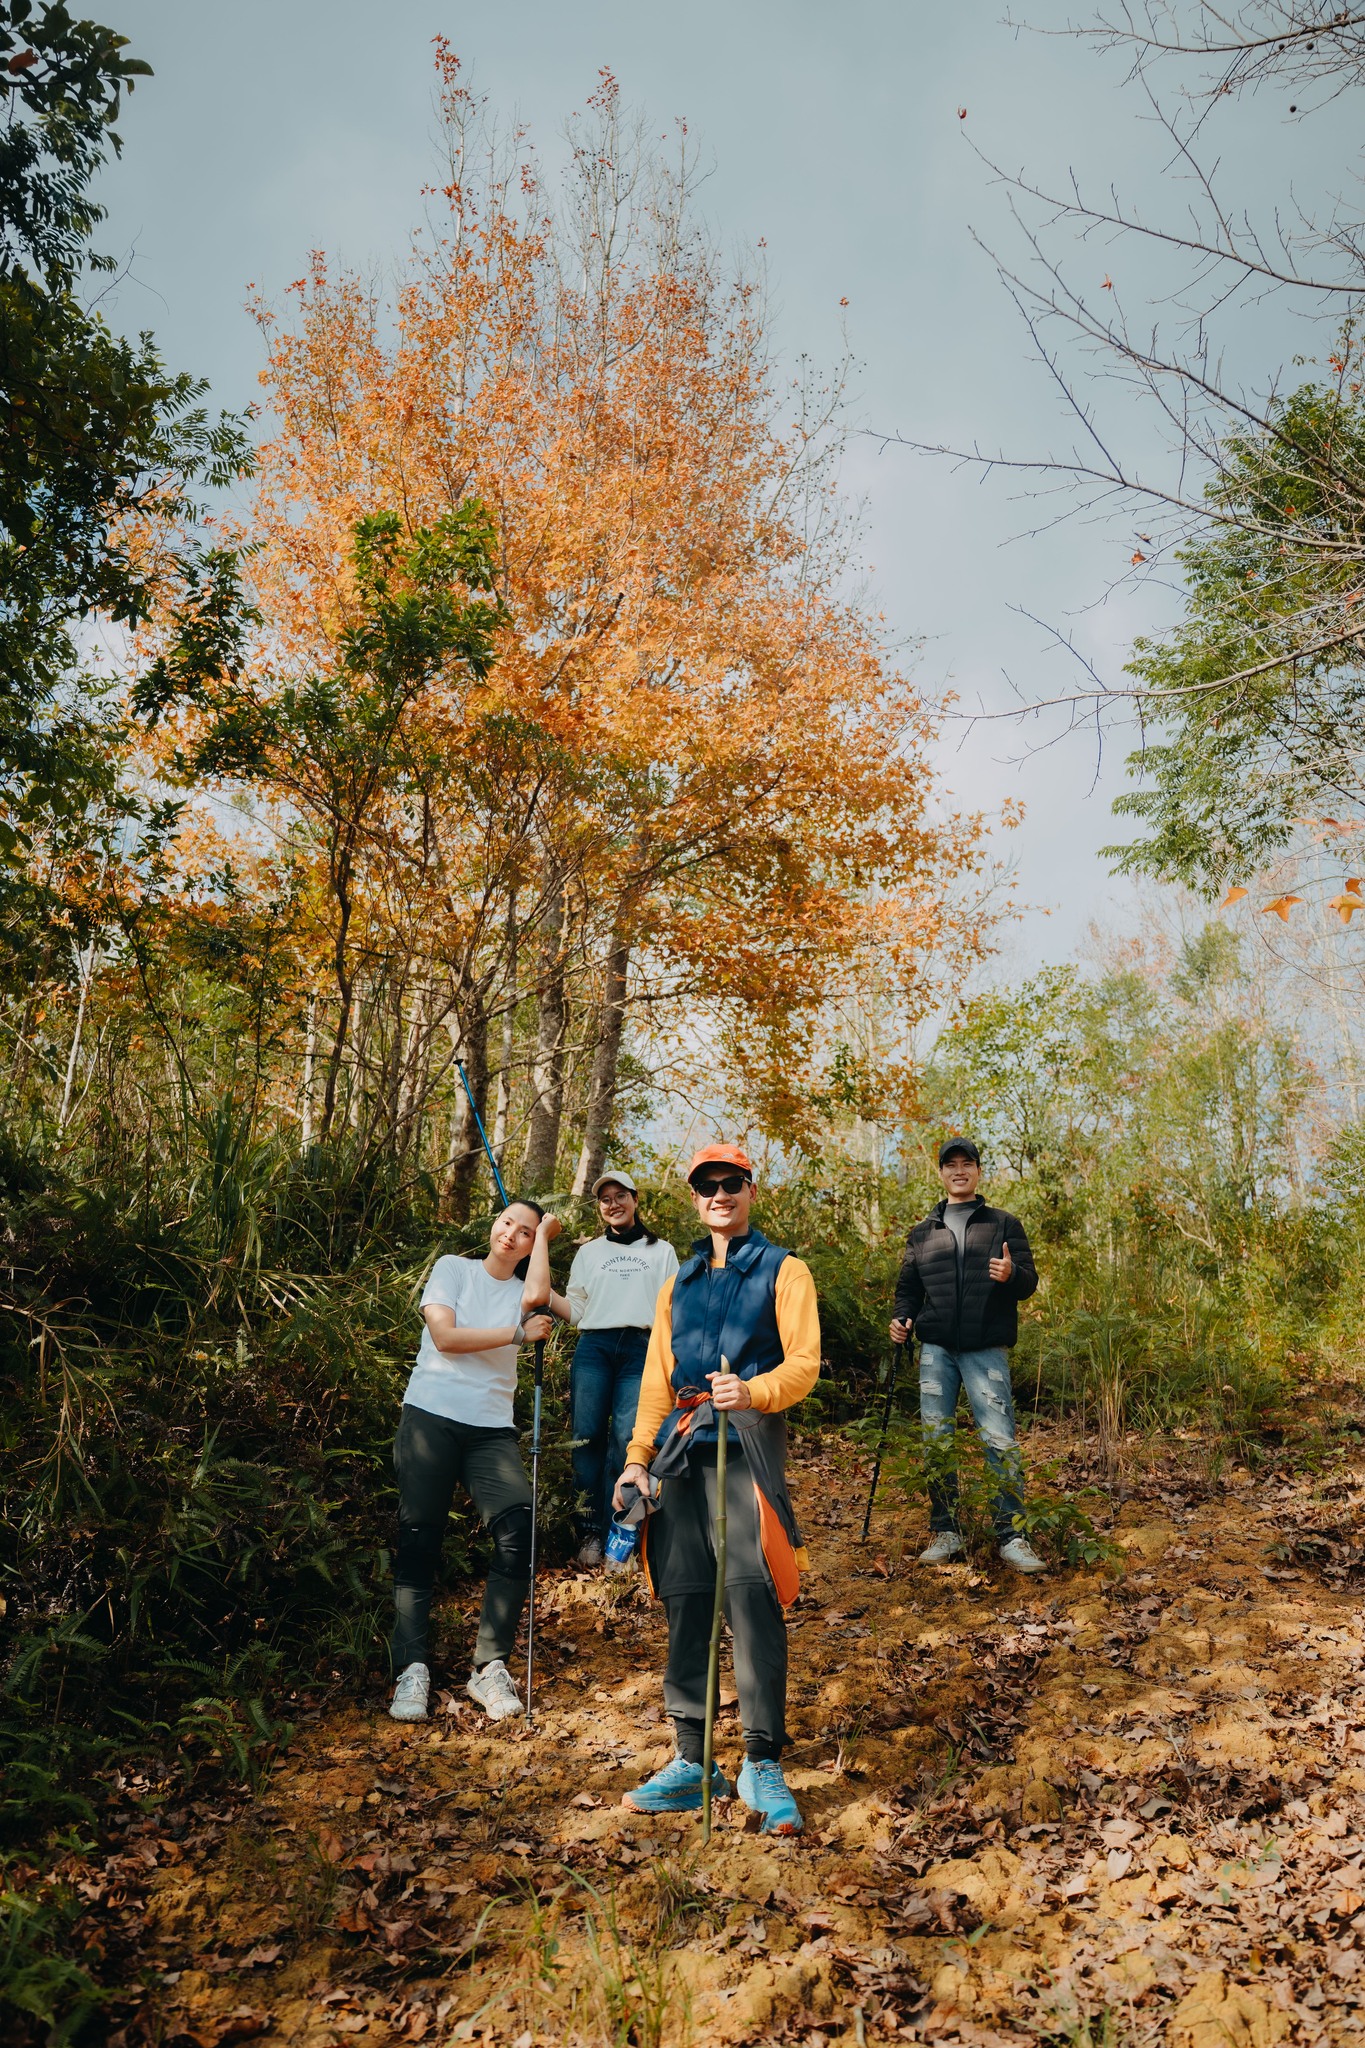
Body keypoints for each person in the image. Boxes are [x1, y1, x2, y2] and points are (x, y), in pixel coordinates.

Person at [613, 1144, 820, 1835]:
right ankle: (693, 1759)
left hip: (746, 1448)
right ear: (694, 1198)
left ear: (750, 1190)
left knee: (750, 1595)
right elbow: (654, 1380)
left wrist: (753, 1391)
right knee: (686, 1600)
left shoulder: (785, 1270)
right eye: (706, 1186)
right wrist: (635, 1460)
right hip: (679, 1452)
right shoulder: (680, 1280)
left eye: (730, 1183)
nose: (718, 1195)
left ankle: (761, 1763)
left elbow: (804, 1364)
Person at [388, 1199, 556, 1724]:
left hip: (491, 1430)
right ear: (493, 1225)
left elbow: (577, 1309)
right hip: (431, 1416)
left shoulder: (529, 1295)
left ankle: (489, 1666)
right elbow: (445, 1337)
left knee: (518, 1527)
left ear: (533, 1245)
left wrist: (548, 1238)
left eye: (525, 1232)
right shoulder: (452, 1268)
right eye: (507, 1222)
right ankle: (411, 1668)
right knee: (419, 1538)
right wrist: (515, 1334)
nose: (511, 1234)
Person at [889, 1139, 1046, 1574]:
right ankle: (947, 1530)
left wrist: (1011, 1273)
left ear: (978, 1171)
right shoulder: (923, 1232)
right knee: (937, 1442)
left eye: (967, 1164)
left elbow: (1028, 1282)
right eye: (951, 1165)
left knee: (999, 1441)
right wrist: (901, 1318)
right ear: (940, 1173)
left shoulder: (1003, 1224)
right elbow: (908, 1291)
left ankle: (1012, 1536)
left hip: (985, 1349)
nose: (959, 1171)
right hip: (936, 1348)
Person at [520, 1170, 679, 1569]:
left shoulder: (662, 1251)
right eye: (605, 1198)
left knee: (629, 1438)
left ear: (635, 1199)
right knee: (585, 1437)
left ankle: (621, 1533)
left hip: (641, 1348)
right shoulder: (588, 1253)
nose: (613, 1203)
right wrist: (540, 1286)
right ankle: (589, 1531)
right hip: (595, 1347)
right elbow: (577, 1311)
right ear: (600, 1207)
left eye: (620, 1195)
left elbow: (672, 1310)